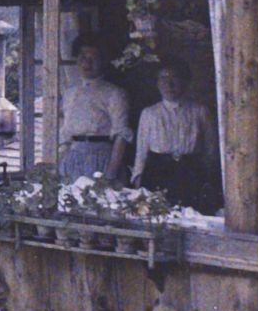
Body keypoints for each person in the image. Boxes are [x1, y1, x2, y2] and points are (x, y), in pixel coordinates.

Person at [132, 58, 216, 212]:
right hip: (158, 171)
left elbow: (210, 148)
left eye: (174, 78)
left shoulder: (200, 111)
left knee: (190, 214)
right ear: (157, 83)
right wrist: (138, 176)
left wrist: (205, 175)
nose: (169, 84)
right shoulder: (150, 113)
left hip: (190, 172)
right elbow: (141, 149)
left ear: (185, 81)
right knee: (158, 214)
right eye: (163, 78)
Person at [58, 35, 131, 181]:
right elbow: (66, 133)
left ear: (103, 61)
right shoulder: (70, 92)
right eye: (83, 58)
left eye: (93, 58)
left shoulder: (114, 93)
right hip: (73, 158)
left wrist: (111, 171)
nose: (87, 63)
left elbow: (121, 135)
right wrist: (60, 162)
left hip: (101, 159)